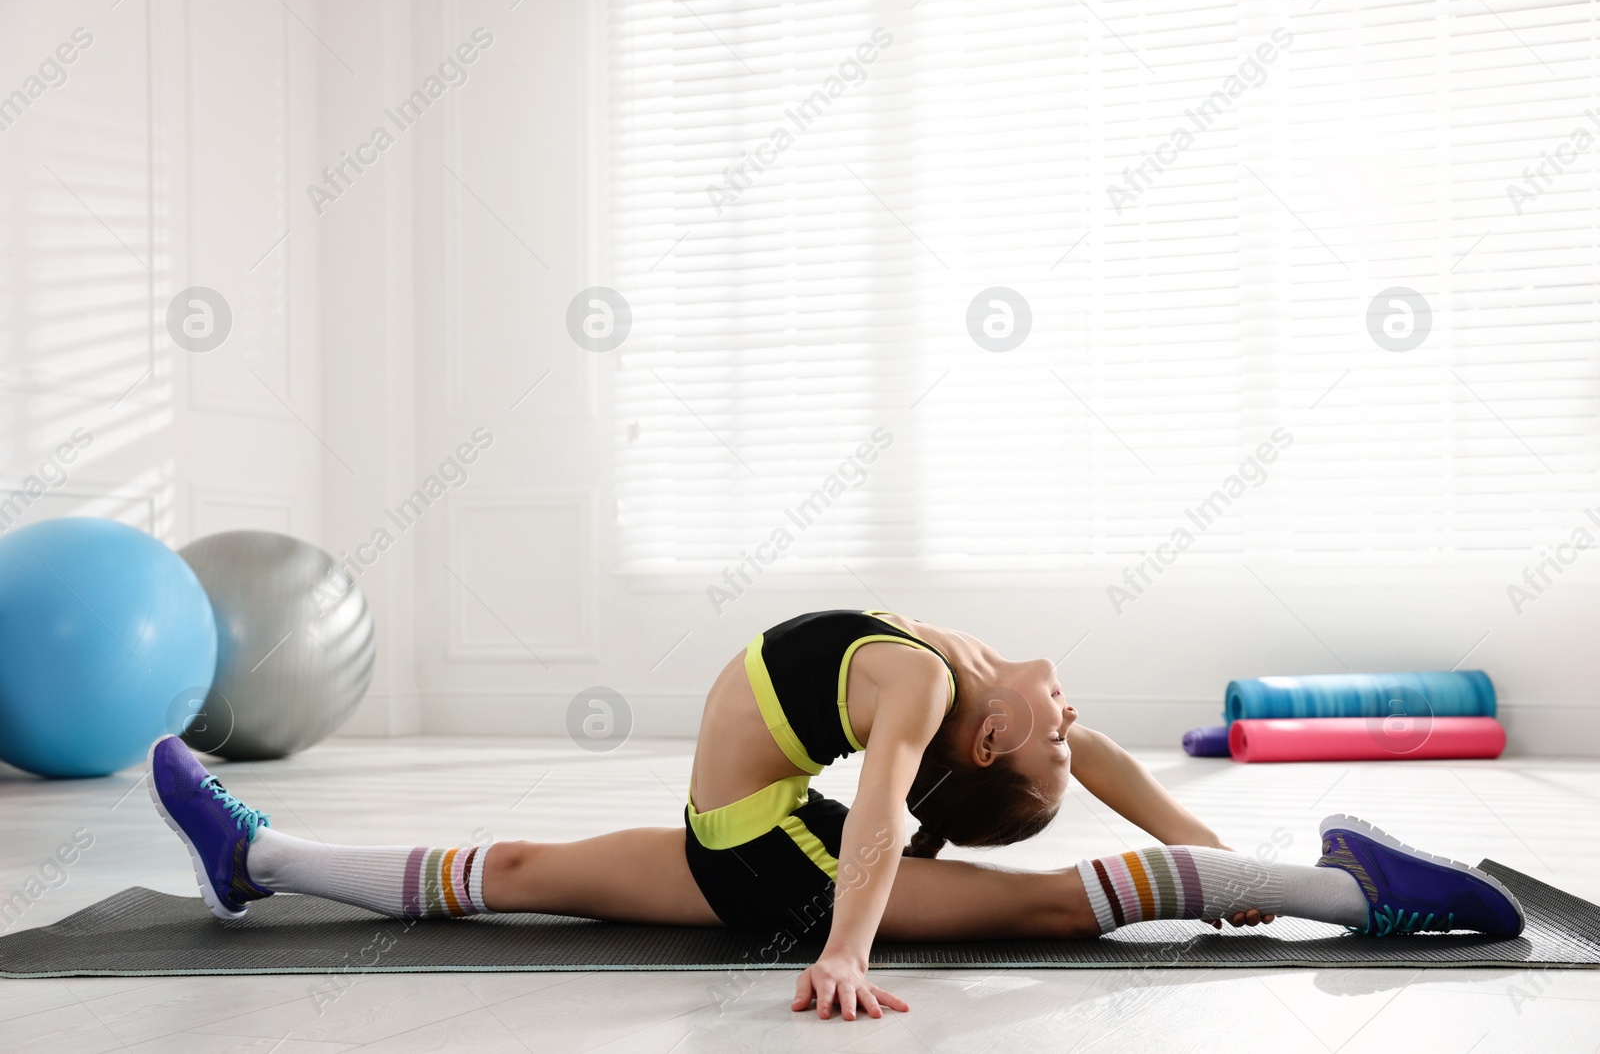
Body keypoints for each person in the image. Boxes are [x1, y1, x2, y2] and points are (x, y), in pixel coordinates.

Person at [148, 609, 1525, 1021]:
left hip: (780, 861)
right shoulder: (967, 675)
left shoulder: (927, 693)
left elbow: (873, 823)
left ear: (983, 740)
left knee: (1057, 905)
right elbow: (1087, 750)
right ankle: (253, 857)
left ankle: (1360, 892)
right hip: (741, 846)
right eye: (1058, 720)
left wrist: (850, 949)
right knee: (512, 864)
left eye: (1048, 729)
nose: (1072, 709)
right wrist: (1225, 842)